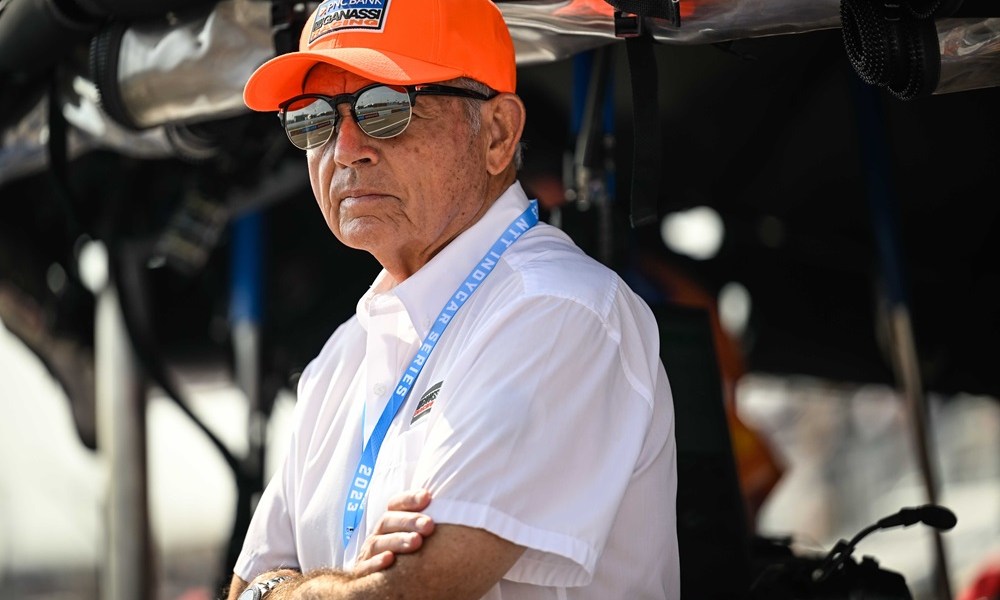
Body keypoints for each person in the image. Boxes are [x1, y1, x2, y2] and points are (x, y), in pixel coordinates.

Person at [227, 0, 679, 598]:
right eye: (313, 119)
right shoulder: (342, 355)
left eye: (385, 108)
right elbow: (242, 588)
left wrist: (290, 588)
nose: (344, 148)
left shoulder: (560, 311)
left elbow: (412, 592)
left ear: (498, 133)